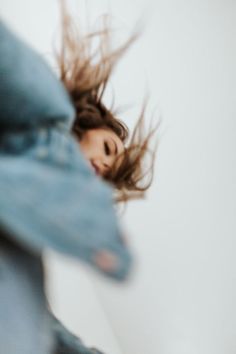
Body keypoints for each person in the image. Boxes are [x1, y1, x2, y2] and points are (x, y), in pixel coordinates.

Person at [0, 4, 156, 354]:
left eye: (110, 173)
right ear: (88, 123)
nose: (103, 163)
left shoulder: (46, 203)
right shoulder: (52, 113)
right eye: (107, 147)